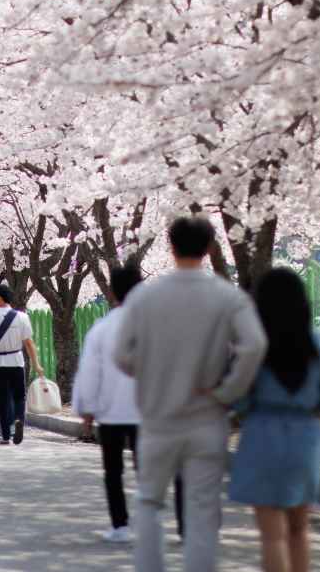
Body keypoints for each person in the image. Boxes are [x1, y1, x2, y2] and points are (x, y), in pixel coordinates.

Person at [114, 215, 267, 572]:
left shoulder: (145, 296)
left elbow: (122, 354)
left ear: (171, 246)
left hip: (157, 417)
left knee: (150, 502)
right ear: (210, 247)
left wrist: (149, 374)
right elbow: (255, 345)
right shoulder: (227, 296)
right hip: (207, 416)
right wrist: (228, 391)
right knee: (202, 508)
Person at [229, 269, 320, 572]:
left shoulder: (255, 350)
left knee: (272, 537)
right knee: (299, 530)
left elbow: (238, 399)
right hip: (304, 438)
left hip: (261, 435)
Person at [76, 264, 147, 543]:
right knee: (147, 469)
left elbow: (90, 372)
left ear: (112, 292)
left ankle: (120, 525)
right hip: (148, 410)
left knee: (113, 470)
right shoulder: (153, 325)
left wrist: (87, 410)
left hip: (111, 410)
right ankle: (149, 521)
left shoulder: (102, 328)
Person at [0, 284, 45, 445]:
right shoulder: (22, 317)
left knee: (2, 398)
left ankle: (5, 435)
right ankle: (19, 420)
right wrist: (36, 364)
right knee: (19, 396)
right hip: (17, 361)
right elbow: (29, 343)